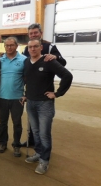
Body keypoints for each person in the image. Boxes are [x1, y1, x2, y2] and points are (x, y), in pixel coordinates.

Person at [24, 39, 72, 174]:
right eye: (30, 47)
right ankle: (39, 153)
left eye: (35, 46)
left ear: (41, 48)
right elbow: (29, 80)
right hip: (31, 103)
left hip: (45, 104)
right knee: (36, 132)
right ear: (28, 49)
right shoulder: (26, 62)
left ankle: (44, 161)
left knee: (44, 134)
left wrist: (57, 93)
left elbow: (67, 75)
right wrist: (26, 95)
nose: (33, 49)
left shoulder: (48, 61)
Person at [21, 23, 67, 147]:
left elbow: (63, 62)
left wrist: (55, 57)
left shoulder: (50, 46)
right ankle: (32, 141)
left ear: (41, 33)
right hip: (32, 91)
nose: (33, 35)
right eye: (31, 33)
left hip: (45, 92)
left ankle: (43, 151)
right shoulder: (27, 48)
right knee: (33, 122)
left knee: (43, 126)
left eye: (35, 32)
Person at [0, 37, 26, 157]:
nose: (9, 47)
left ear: (16, 46)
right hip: (2, 97)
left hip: (17, 98)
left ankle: (16, 145)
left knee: (17, 123)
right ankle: (2, 143)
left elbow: (28, 78)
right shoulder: (0, 60)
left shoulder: (24, 60)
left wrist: (26, 94)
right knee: (2, 123)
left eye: (11, 45)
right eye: (7, 45)